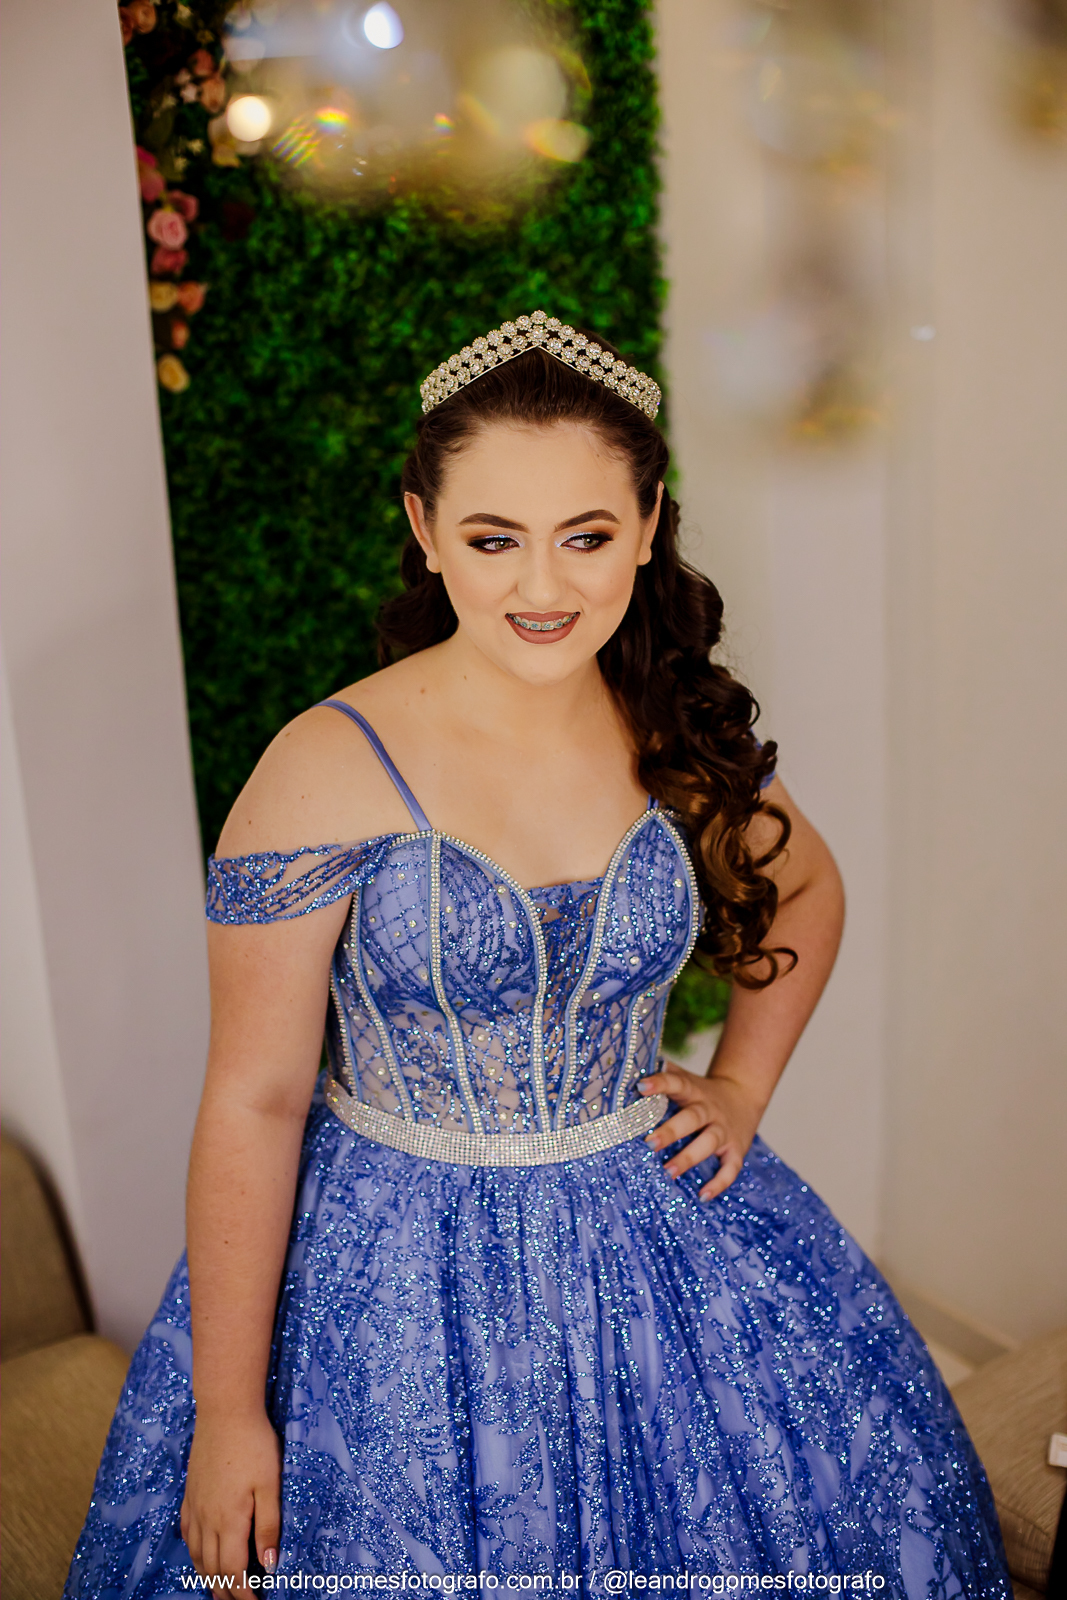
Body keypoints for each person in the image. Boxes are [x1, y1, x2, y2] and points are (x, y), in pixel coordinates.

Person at [65, 312, 1010, 1599]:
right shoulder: (322, 768)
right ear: (423, 528)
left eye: (587, 535)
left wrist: (741, 1084)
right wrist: (231, 1413)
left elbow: (806, 886)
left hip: (650, 1224)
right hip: (392, 1267)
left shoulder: (667, 727)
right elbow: (254, 1096)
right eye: (492, 538)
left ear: (648, 522)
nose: (542, 588)